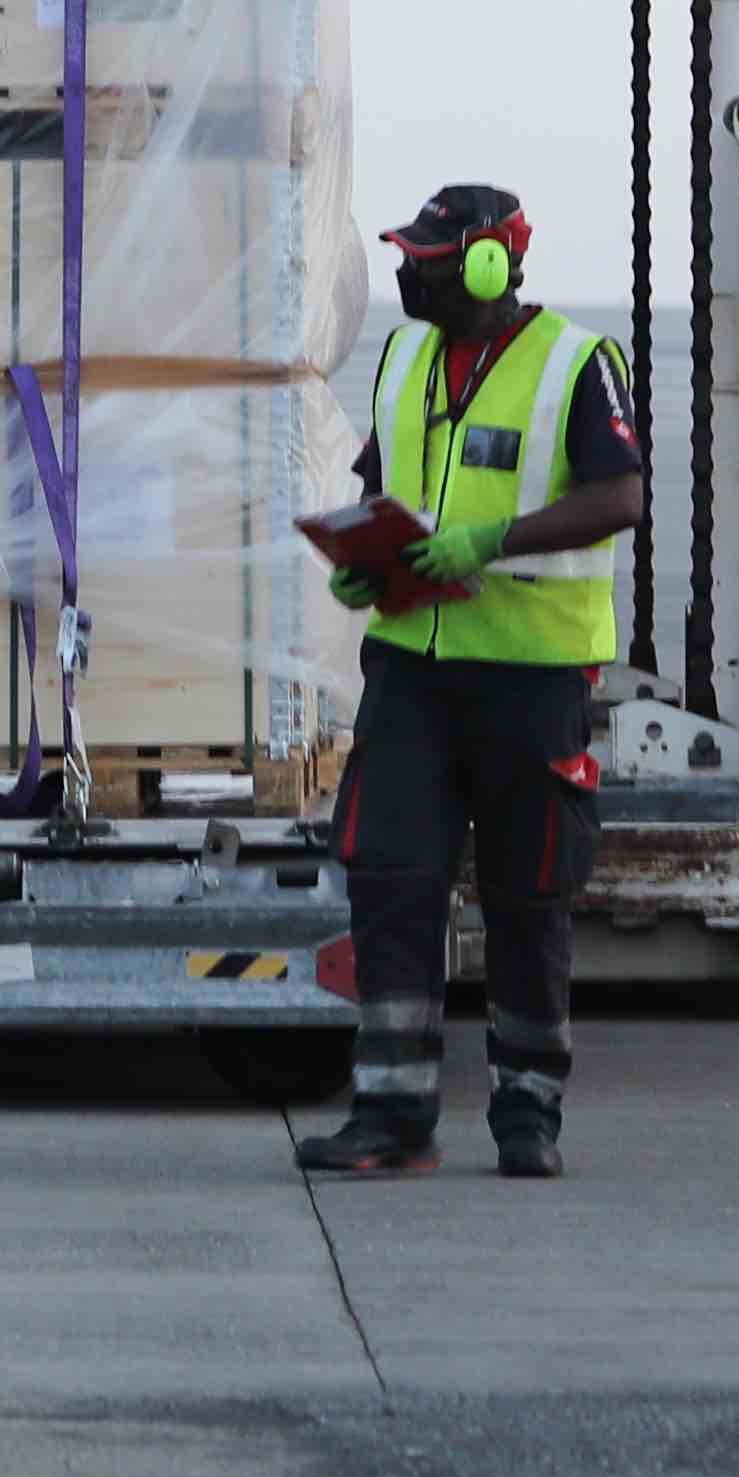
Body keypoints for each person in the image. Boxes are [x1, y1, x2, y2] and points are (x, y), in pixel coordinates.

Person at [302, 182, 641, 1181]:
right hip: (412, 669)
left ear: (490, 265)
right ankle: (393, 1113)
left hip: (531, 679)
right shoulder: (403, 359)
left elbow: (620, 495)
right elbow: (382, 482)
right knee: (390, 881)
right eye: (404, 257)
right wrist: (364, 559)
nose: (407, 274)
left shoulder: (577, 362)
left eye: (426, 260)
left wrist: (490, 540)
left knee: (528, 895)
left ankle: (528, 1113)